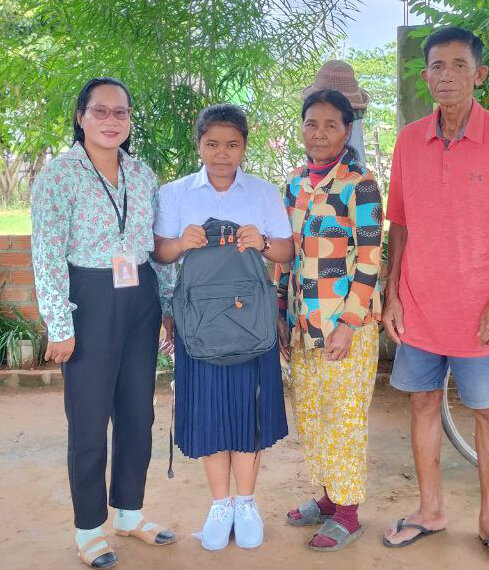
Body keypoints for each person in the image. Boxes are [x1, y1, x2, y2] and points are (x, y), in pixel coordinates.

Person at [382, 27, 489, 569]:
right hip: (419, 305)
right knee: (422, 403)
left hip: (479, 310)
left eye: (459, 65)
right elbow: (399, 223)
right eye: (438, 66)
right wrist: (393, 292)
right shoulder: (408, 140)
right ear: (426, 76)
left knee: (487, 412)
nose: (447, 76)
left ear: (478, 74)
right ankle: (430, 510)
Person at [31, 77, 176, 569]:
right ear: (81, 116)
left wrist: (167, 306)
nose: (111, 120)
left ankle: (130, 513)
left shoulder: (142, 174)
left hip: (140, 300)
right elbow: (47, 252)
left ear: (130, 119)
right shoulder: (60, 175)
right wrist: (59, 323)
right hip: (88, 301)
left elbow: (154, 245)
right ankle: (89, 529)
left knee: (138, 414)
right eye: (101, 111)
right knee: (89, 421)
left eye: (121, 112)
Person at [152, 104, 294, 551]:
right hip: (199, 325)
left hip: (252, 324)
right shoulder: (176, 193)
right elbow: (159, 254)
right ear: (198, 145)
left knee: (249, 412)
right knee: (211, 413)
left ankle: (246, 503)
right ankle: (219, 505)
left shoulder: (263, 193)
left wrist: (264, 243)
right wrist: (181, 243)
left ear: (244, 147)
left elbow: (288, 252)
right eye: (212, 144)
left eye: (232, 144)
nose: (221, 153)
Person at [278, 89, 383, 551]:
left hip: (346, 328)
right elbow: (289, 256)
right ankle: (327, 497)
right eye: (311, 124)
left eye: (330, 125)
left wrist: (348, 324)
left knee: (344, 419)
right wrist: (282, 316)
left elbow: (371, 260)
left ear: (347, 130)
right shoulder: (295, 185)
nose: (319, 133)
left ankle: (348, 512)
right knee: (312, 416)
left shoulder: (360, 185)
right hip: (304, 325)